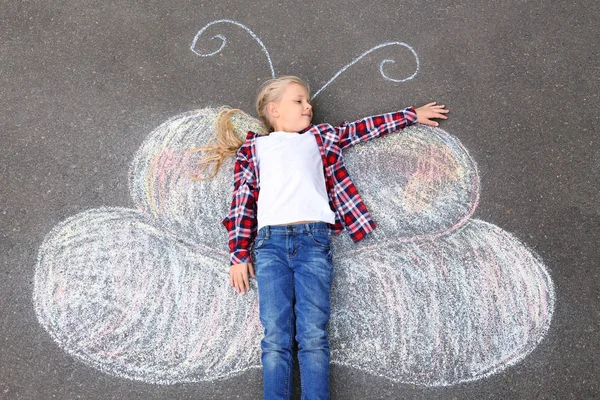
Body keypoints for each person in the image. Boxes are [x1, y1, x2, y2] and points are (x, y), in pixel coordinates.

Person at [190, 76, 448, 399]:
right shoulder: (254, 149)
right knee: (275, 339)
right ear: (274, 110)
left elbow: (363, 128)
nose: (308, 106)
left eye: (307, 101)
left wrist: (411, 115)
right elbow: (241, 200)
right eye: (298, 101)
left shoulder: (321, 137)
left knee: (313, 337)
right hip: (270, 247)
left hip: (314, 242)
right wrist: (238, 254)